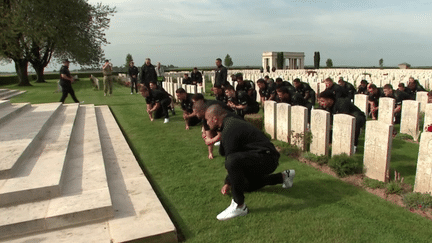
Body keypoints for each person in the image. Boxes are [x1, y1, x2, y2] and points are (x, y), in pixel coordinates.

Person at [204, 104, 295, 220]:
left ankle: (239, 205)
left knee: (232, 161)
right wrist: (229, 182)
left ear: (215, 119)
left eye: (207, 120)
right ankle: (283, 177)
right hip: (260, 156)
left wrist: (228, 181)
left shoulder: (229, 127)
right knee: (245, 185)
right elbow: (223, 151)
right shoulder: (228, 124)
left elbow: (231, 160)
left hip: (267, 158)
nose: (206, 123)